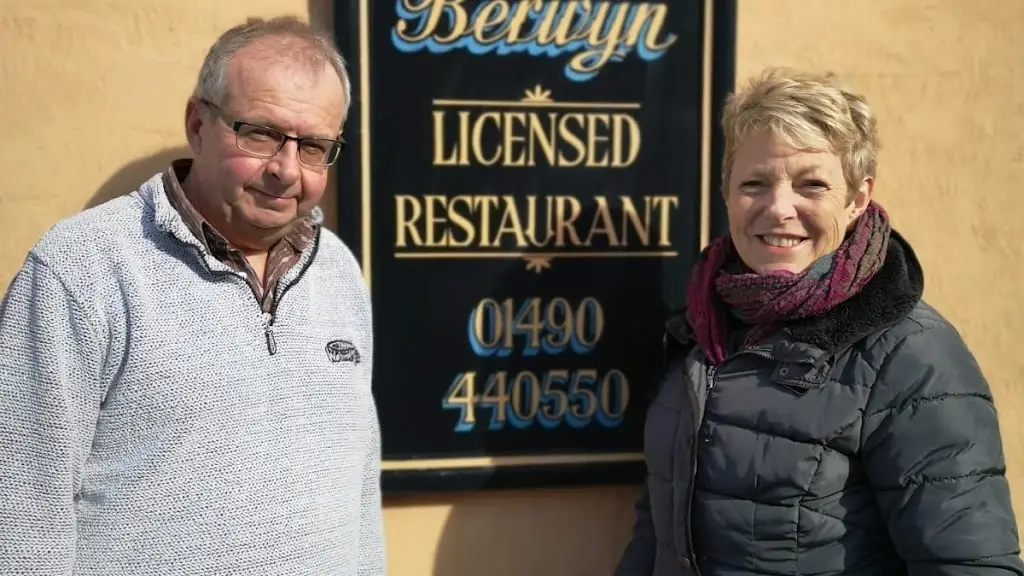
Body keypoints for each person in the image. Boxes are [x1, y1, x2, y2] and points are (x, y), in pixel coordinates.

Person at [0, 16, 384, 576]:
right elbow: (22, 506)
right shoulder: (82, 268)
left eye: (313, 147)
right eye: (260, 134)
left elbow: (359, 486)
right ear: (198, 124)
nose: (285, 170)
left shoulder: (340, 271)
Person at [616, 68, 1023, 575]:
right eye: (754, 183)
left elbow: (969, 563)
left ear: (857, 199)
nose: (778, 208)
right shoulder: (696, 334)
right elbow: (656, 534)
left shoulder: (911, 355)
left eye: (812, 184)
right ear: (726, 191)